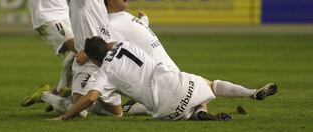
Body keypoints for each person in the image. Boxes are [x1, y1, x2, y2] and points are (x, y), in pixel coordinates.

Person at [47, 36, 277, 121]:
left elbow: (90, 98)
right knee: (209, 84)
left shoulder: (102, 72)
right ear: (107, 45)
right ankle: (250, 93)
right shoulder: (124, 44)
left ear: (94, 61)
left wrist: (66, 116)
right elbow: (111, 45)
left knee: (138, 104)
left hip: (167, 111)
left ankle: (198, 114)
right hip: (179, 86)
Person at [37, 0, 123, 117]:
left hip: (104, 61)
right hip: (86, 63)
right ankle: (46, 96)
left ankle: (87, 103)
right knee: (79, 112)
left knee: (117, 114)